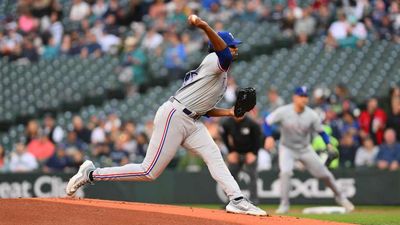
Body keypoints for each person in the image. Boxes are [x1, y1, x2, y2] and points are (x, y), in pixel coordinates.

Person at [66, 14, 266, 216]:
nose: (235, 48)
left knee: (214, 156)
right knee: (148, 172)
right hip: (175, 116)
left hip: (192, 120)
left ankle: (237, 199)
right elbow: (223, 53)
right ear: (220, 46)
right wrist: (204, 26)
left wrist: (230, 112)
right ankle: (91, 174)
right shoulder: (216, 60)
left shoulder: (220, 75)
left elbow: (203, 109)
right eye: (232, 45)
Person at [264, 86, 354, 214]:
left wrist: (328, 144)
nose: (304, 99)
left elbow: (322, 132)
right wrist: (268, 137)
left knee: (325, 174)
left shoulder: (312, 115)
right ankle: (284, 204)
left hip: (305, 149)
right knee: (285, 172)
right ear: (294, 97)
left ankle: (341, 197)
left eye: (306, 96)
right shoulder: (284, 111)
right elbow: (267, 122)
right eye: (301, 96)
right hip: (287, 148)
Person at [220, 115, 262, 204]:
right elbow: (224, 136)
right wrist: (230, 151)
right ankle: (231, 201)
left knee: (253, 176)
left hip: (250, 152)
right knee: (230, 177)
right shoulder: (227, 123)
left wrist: (254, 153)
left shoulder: (252, 123)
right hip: (236, 152)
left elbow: (258, 138)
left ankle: (254, 201)